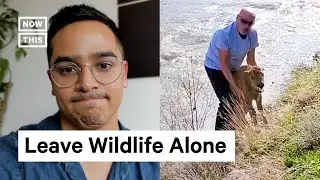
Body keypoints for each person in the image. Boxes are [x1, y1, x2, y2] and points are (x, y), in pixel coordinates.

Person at [0, 4, 159, 180]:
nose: (86, 83)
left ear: (124, 74)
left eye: (103, 65)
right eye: (68, 69)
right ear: (51, 81)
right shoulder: (10, 158)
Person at [204, 8, 260, 130]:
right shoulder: (223, 34)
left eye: (250, 23)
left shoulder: (253, 34)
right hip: (215, 67)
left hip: (233, 66)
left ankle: (235, 127)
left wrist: (257, 76)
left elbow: (251, 61)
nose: (246, 25)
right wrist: (235, 87)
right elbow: (224, 66)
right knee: (227, 101)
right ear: (237, 18)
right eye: (243, 21)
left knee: (240, 97)